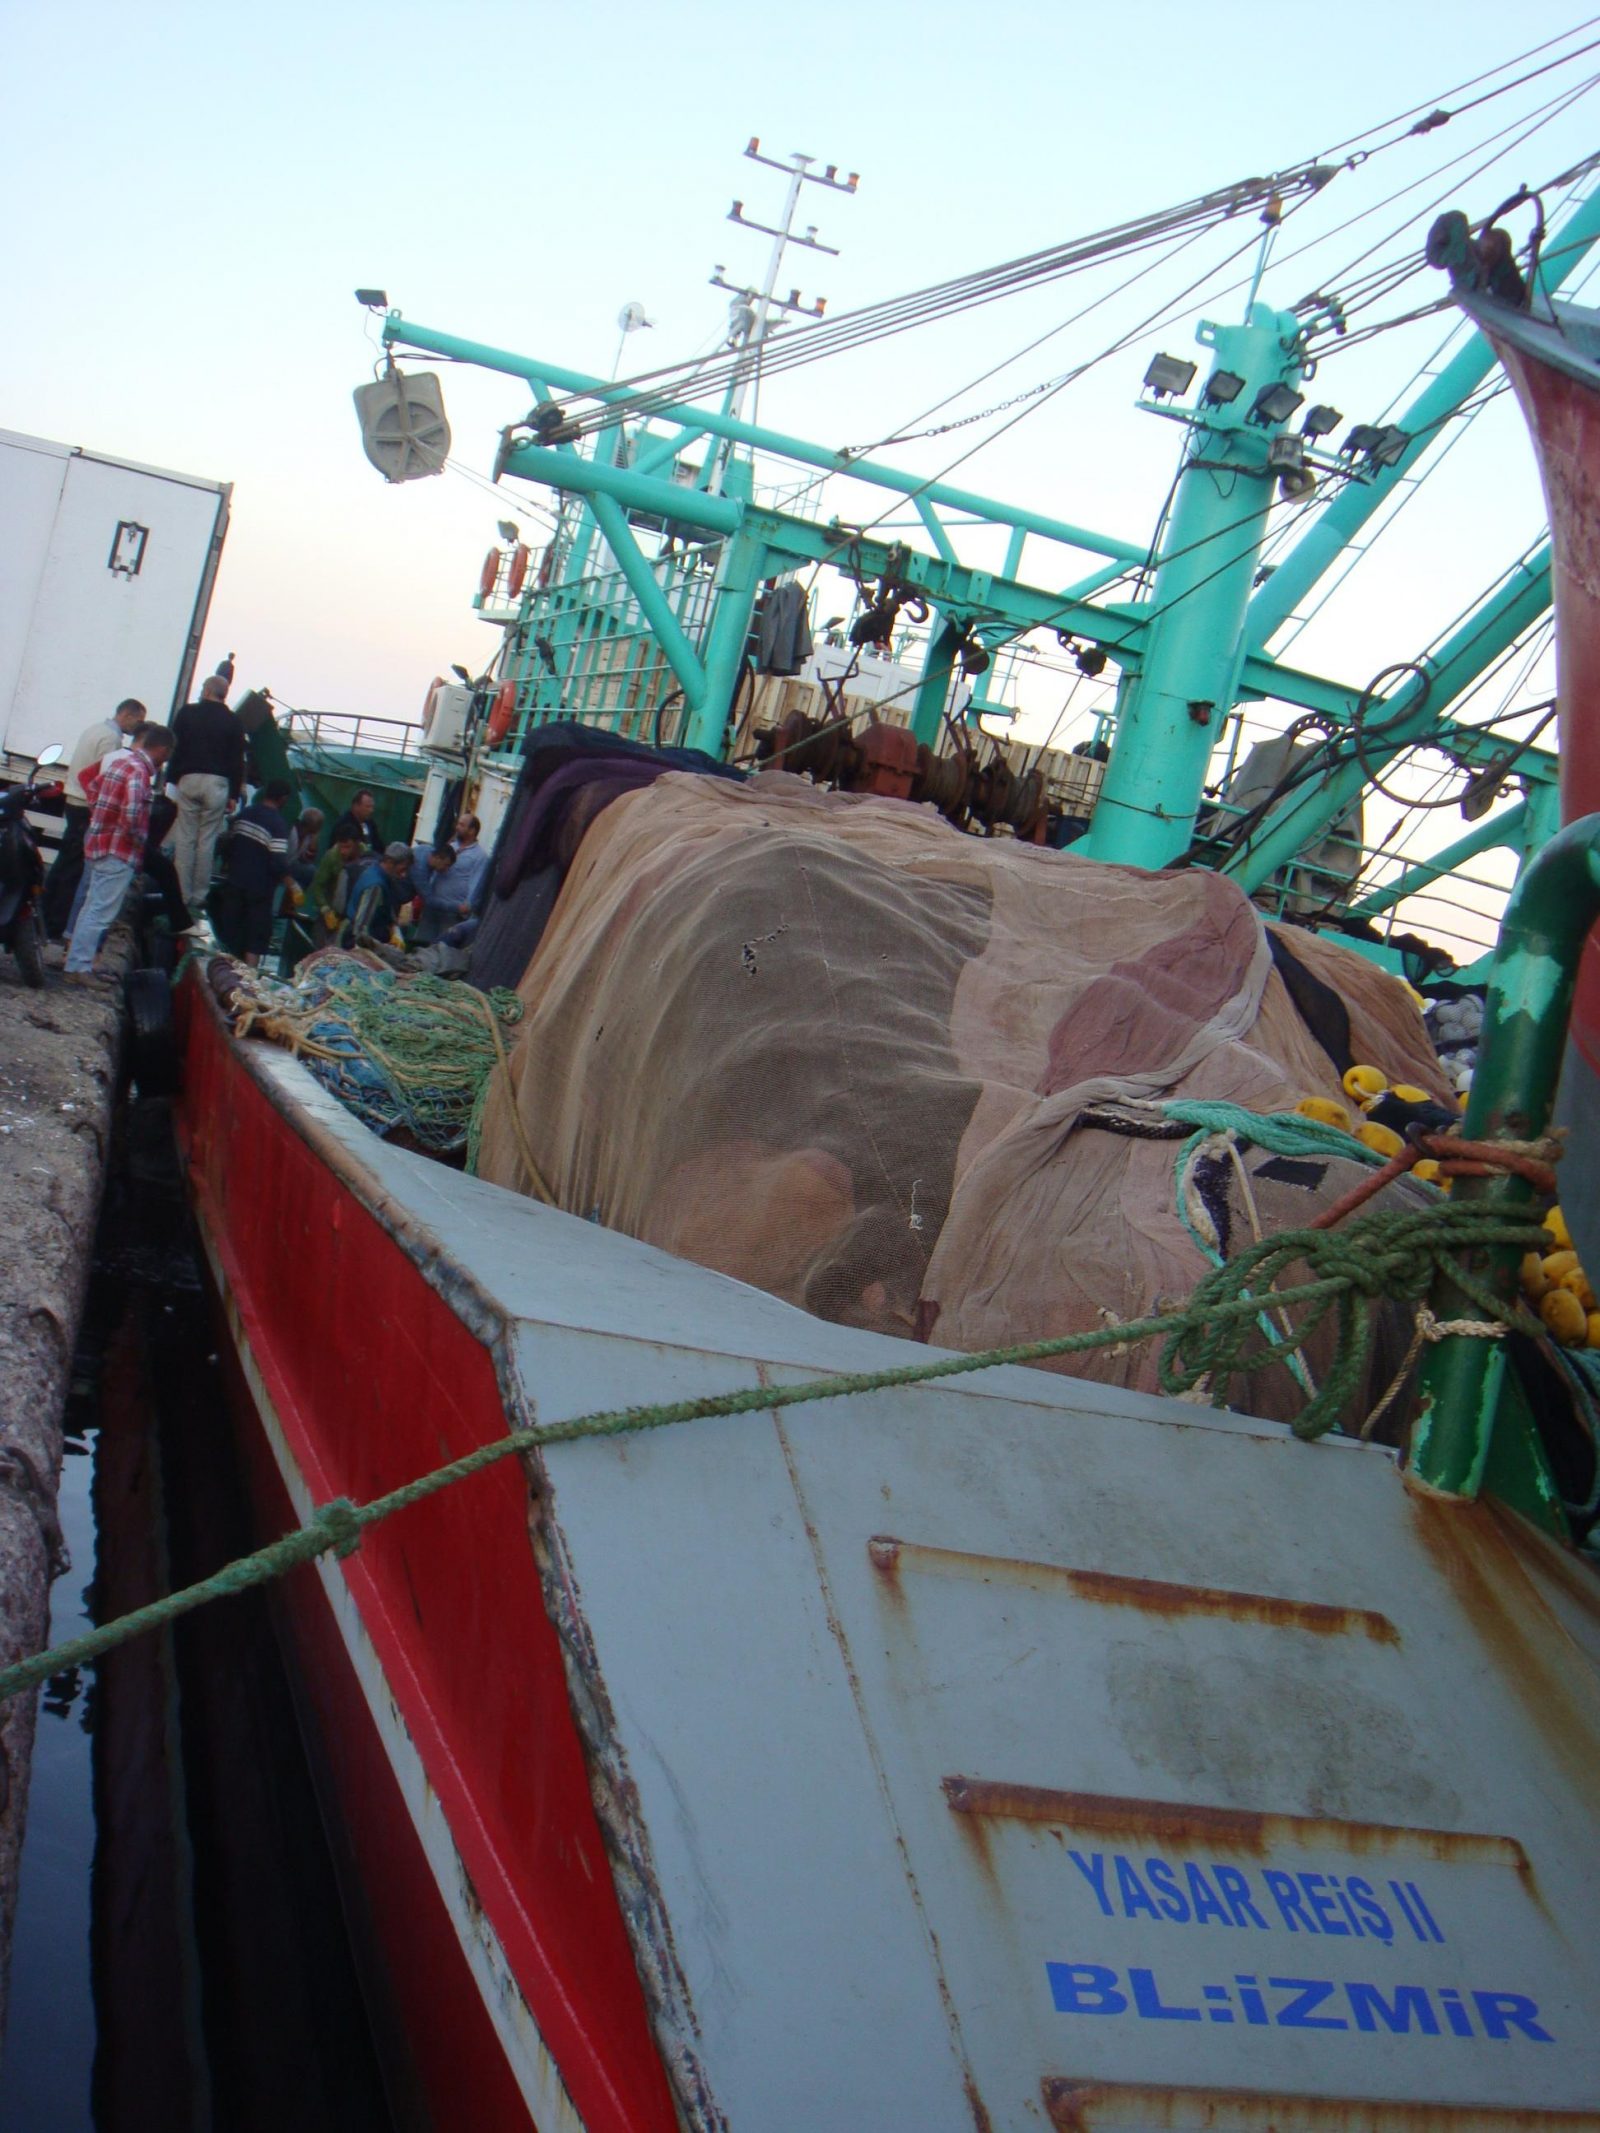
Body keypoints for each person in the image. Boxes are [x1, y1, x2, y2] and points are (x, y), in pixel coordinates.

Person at [65, 722, 174, 978]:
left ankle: (76, 962)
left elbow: (92, 787)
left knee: (90, 907)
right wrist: (139, 840)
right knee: (101, 913)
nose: (167, 759)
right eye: (168, 754)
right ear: (162, 750)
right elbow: (132, 815)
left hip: (100, 844)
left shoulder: (121, 762)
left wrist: (102, 818)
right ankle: (80, 967)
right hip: (119, 851)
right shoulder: (138, 772)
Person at [43, 697, 145, 937]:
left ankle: (45, 914)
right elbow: (104, 778)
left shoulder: (95, 729)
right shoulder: (111, 739)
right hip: (83, 805)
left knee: (64, 862)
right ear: (127, 715)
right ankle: (55, 923)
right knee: (73, 868)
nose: (138, 727)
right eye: (138, 721)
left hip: (73, 800)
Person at [168, 674, 246, 906]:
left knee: (186, 838)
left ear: (207, 690)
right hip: (217, 784)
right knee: (207, 841)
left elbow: (175, 746)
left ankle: (182, 893)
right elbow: (237, 760)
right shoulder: (234, 721)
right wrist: (233, 794)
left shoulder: (187, 713)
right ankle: (200, 895)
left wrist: (171, 778)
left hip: (189, 778)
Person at [215, 779, 294, 966]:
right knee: (255, 939)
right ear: (283, 799)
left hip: (234, 883)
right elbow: (278, 862)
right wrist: (292, 883)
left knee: (229, 934)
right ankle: (249, 978)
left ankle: (221, 971)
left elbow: (228, 843)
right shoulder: (277, 825)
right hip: (259, 891)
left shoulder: (245, 813)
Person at [347, 841, 414, 945]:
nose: (404, 875)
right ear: (390, 862)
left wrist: (394, 930)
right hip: (356, 940)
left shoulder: (376, 871)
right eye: (402, 869)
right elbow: (361, 927)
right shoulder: (376, 886)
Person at [310, 831, 363, 936]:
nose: (343, 851)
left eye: (347, 847)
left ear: (357, 844)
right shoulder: (331, 857)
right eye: (341, 847)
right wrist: (325, 909)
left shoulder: (366, 856)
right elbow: (318, 885)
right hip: (332, 907)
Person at [408, 841, 460, 945]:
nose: (446, 870)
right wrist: (457, 907)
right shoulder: (419, 870)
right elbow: (430, 900)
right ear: (437, 858)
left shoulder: (427, 849)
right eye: (446, 865)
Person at [444, 811, 489, 915]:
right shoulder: (450, 847)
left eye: (462, 825)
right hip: (434, 905)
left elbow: (476, 882)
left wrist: (468, 905)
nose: (457, 827)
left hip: (454, 910)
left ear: (472, 831)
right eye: (458, 824)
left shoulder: (479, 856)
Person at [330, 789, 382, 859]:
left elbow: (378, 845)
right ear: (356, 806)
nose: (371, 810)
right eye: (367, 807)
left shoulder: (370, 823)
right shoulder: (344, 824)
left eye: (372, 807)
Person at [289, 807, 324, 887]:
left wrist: (314, 842)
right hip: (278, 865)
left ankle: (292, 893)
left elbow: (307, 860)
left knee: (310, 871)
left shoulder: (308, 837)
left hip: (290, 864)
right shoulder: (291, 832)